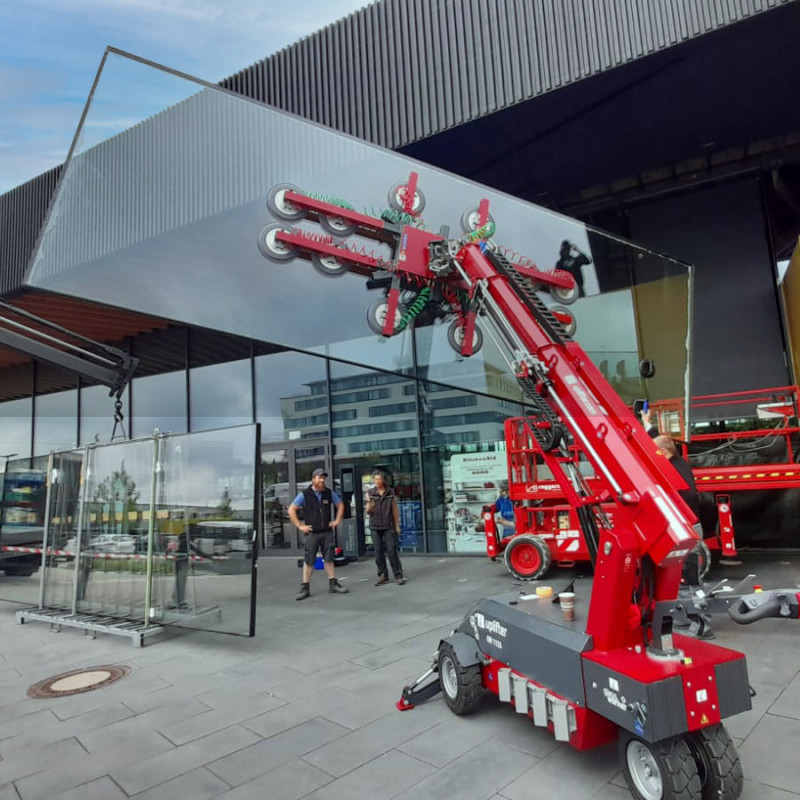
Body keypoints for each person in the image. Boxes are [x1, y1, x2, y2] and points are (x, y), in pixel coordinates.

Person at [288, 468, 349, 600]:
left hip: (326, 532)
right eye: (319, 478)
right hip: (312, 532)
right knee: (309, 560)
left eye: (323, 478)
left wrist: (337, 520)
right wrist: (300, 525)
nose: (322, 480)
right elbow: (291, 509)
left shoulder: (328, 493)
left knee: (329, 558)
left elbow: (340, 505)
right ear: (313, 479)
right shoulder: (305, 494)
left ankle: (333, 583)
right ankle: (305, 587)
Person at [365, 469, 405, 586]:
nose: (377, 481)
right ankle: (383, 575)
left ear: (383, 480)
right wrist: (369, 507)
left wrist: (397, 525)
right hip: (375, 525)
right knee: (378, 552)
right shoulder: (370, 493)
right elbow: (367, 511)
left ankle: (398, 575)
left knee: (392, 550)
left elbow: (394, 509)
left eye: (379, 479)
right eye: (375, 479)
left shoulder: (390, 492)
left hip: (389, 525)